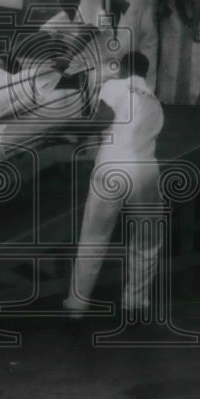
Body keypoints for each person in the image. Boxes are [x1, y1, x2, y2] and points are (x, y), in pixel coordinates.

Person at [63, 52, 164, 318]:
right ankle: (135, 304)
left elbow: (101, 119)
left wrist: (70, 132)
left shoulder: (115, 85)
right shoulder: (154, 100)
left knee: (93, 240)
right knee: (146, 243)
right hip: (145, 171)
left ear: (123, 67)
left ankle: (76, 306)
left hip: (111, 169)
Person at [106, 0, 166, 92]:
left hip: (150, 21)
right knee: (124, 60)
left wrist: (161, 6)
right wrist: (121, 3)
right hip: (130, 19)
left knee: (150, 64)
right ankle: (120, 95)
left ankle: (147, 97)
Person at [156, 0, 200, 105]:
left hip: (189, 18)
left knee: (187, 63)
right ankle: (167, 103)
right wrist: (162, 6)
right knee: (170, 63)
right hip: (170, 20)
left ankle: (184, 103)